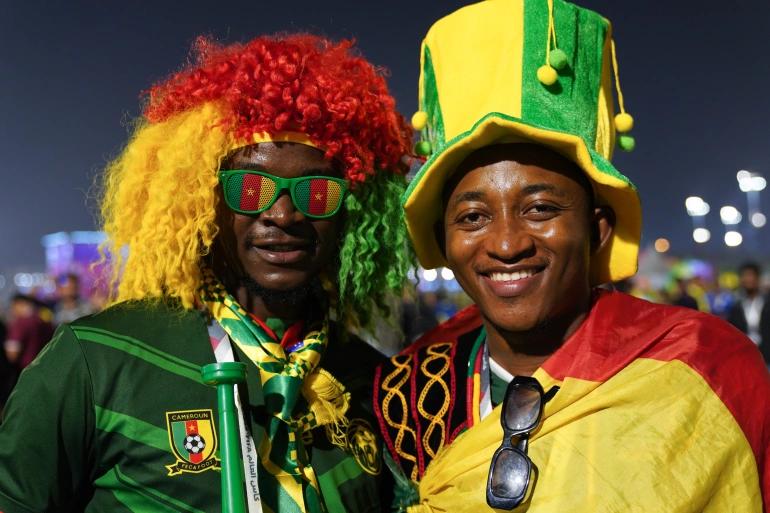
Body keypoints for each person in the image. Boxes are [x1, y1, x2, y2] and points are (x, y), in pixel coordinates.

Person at [373, 1, 770, 511]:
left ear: (598, 229)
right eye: (473, 217)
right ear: (444, 243)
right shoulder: (409, 392)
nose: (506, 243)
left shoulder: (707, 369)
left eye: (539, 209)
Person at [0, 34, 412, 513]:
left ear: (352, 212)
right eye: (250, 187)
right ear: (201, 199)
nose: (284, 215)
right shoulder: (95, 360)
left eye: (316, 191)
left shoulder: (375, 382)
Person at [728, 262, 770, 364]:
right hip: (745, 358)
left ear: (758, 278)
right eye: (745, 276)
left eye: (751, 275)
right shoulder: (736, 306)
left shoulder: (767, 302)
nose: (748, 279)